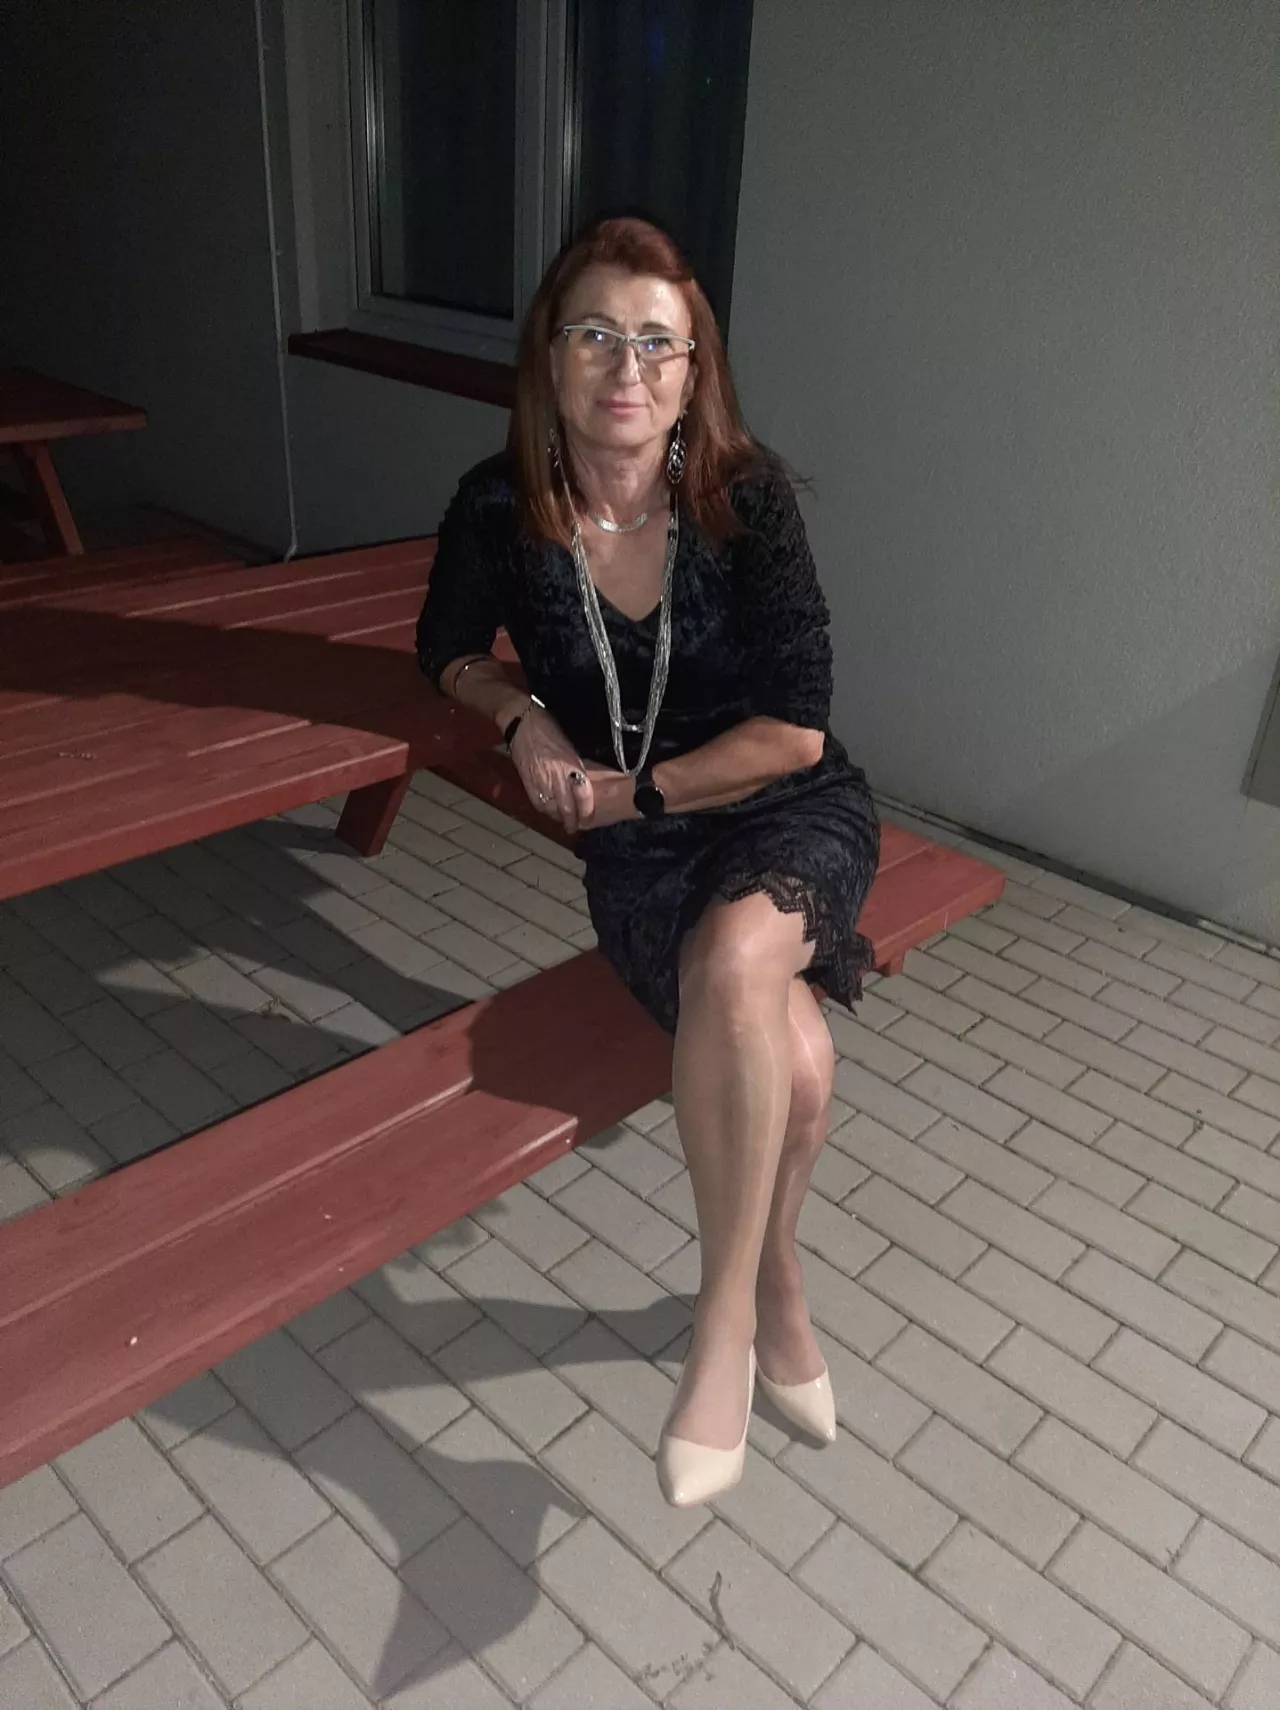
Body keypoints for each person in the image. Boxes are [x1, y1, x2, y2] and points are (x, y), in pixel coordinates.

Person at [417, 217, 879, 1507]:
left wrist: (638, 788)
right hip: (642, 853)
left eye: (658, 343)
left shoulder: (748, 500)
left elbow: (798, 729)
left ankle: (718, 1331)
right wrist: (521, 718)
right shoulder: (500, 506)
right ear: (550, 357)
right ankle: (777, 1281)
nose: (629, 366)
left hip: (786, 810)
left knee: (737, 958)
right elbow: (446, 648)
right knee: (799, 1061)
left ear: (692, 374)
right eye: (598, 334)